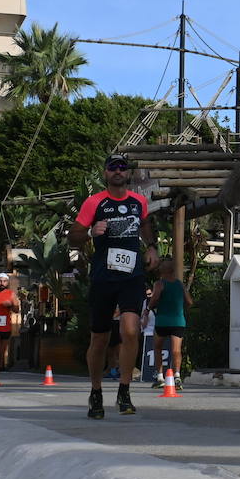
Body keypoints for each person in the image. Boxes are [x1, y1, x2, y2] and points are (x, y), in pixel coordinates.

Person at [69, 153, 158, 419]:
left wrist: (152, 247)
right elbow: (72, 236)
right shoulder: (94, 202)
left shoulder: (139, 201)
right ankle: (96, 391)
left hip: (132, 276)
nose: (118, 171)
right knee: (100, 338)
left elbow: (144, 223)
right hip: (102, 278)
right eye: (113, 167)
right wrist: (89, 232)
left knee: (131, 331)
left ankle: (124, 389)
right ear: (106, 173)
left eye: (122, 167)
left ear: (128, 173)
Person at [148, 257, 192, 391]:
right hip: (178, 321)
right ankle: (177, 376)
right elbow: (189, 302)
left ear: (161, 270)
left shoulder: (159, 283)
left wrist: (149, 307)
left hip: (162, 321)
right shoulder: (180, 284)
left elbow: (155, 298)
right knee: (176, 350)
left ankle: (160, 377)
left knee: (157, 348)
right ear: (173, 270)